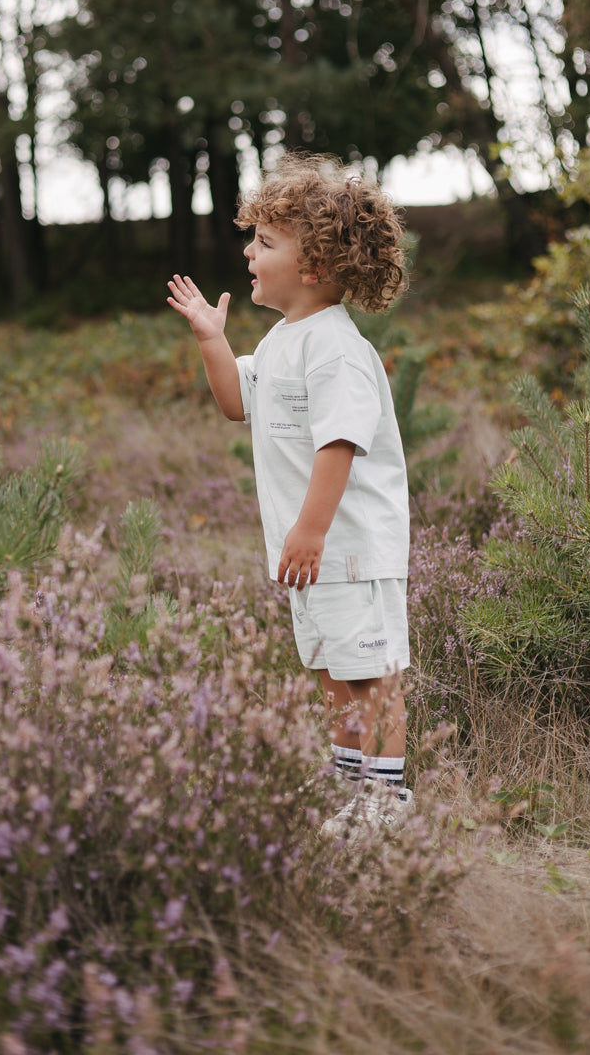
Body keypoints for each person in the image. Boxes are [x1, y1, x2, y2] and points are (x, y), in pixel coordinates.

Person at [167, 152, 413, 840]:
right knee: (333, 669)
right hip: (311, 552)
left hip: (349, 549)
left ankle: (386, 801)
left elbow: (339, 444)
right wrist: (212, 340)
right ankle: (348, 783)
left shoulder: (336, 349)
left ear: (313, 266)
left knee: (371, 674)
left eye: (265, 242)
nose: (249, 252)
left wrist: (309, 530)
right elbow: (234, 404)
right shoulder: (283, 340)